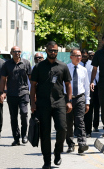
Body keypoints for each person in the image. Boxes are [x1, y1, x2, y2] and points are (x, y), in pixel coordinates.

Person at [30, 41, 72, 169]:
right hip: (43, 104)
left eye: (55, 50)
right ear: (46, 51)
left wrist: (69, 101)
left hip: (59, 102)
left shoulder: (63, 66)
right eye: (50, 50)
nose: (53, 52)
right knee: (45, 133)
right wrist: (32, 103)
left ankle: (58, 152)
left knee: (62, 129)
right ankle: (47, 161)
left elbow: (68, 85)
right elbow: (33, 86)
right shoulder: (38, 67)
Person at [0, 46, 31, 146]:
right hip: (12, 94)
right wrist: (2, 93)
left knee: (24, 113)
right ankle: (16, 138)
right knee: (13, 117)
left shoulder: (26, 63)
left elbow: (31, 79)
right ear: (11, 53)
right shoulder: (6, 64)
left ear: (20, 52)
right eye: (15, 51)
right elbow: (3, 79)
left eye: (18, 51)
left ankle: (24, 135)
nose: (17, 53)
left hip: (24, 93)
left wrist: (34, 93)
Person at [66, 49, 90, 154]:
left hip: (80, 97)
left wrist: (87, 101)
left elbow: (86, 86)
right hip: (68, 98)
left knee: (80, 121)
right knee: (68, 122)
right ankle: (70, 144)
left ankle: (82, 144)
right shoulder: (66, 68)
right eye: (76, 56)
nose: (79, 58)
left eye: (80, 56)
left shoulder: (83, 69)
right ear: (71, 57)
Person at [81, 49, 99, 137]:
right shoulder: (77, 64)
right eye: (82, 56)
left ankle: (88, 131)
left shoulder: (92, 64)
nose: (84, 58)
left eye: (85, 56)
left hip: (91, 89)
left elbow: (97, 75)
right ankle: (79, 130)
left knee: (89, 110)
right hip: (80, 90)